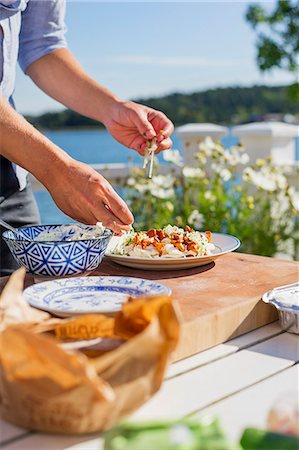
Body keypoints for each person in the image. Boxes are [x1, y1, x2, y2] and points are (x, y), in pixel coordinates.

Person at [0, 0, 174, 276]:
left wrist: (113, 109)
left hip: (9, 174)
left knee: (25, 309)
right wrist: (55, 169)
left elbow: (41, 44)